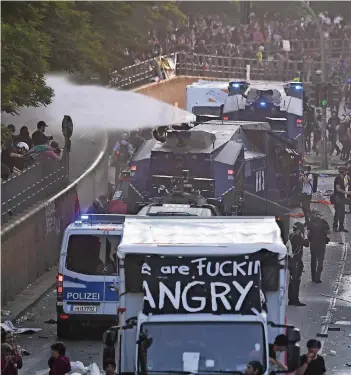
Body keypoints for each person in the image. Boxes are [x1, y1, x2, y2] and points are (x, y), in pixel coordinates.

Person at [288, 222, 309, 306]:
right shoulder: (298, 236)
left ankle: (291, 299)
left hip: (291, 260)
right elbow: (306, 244)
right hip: (296, 261)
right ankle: (295, 300)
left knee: (292, 280)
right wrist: (305, 235)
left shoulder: (291, 235)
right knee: (296, 281)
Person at [308, 209, 330, 283]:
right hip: (321, 244)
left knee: (313, 261)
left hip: (313, 244)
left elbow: (308, 234)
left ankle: (313, 277)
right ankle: (317, 278)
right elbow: (329, 231)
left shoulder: (311, 223)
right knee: (320, 261)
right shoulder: (324, 222)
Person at [333, 166, 351, 232]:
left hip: (341, 198)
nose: (347, 172)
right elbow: (338, 188)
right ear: (342, 171)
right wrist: (346, 192)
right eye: (346, 171)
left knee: (342, 213)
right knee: (338, 213)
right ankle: (335, 227)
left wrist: (349, 180)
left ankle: (341, 227)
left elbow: (344, 186)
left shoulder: (343, 178)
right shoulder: (338, 178)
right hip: (337, 198)